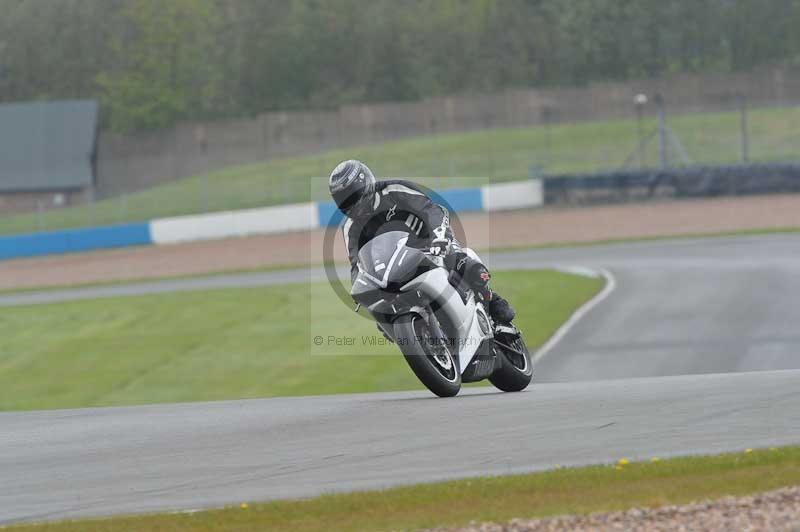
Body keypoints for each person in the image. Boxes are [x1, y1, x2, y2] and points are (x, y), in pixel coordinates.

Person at [328, 159, 515, 324]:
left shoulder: (394, 190)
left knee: (457, 259)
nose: (351, 206)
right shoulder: (350, 228)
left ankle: (491, 300)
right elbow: (357, 265)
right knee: (379, 311)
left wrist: (439, 237)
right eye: (344, 202)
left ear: (366, 185)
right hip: (394, 265)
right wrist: (360, 290)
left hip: (430, 241)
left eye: (353, 198)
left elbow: (430, 210)